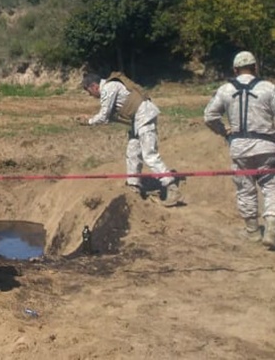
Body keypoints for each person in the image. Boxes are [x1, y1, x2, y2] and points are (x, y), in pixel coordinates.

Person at [203, 51, 275, 248]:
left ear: (235, 70)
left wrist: (224, 132)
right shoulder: (269, 88)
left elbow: (209, 116)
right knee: (271, 187)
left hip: (239, 148)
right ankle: (272, 226)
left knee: (245, 188)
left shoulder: (225, 90)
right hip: (267, 146)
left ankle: (252, 232)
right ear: (255, 67)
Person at [80, 71, 183, 207]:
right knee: (133, 152)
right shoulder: (111, 87)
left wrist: (88, 121)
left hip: (144, 117)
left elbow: (104, 115)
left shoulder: (108, 89)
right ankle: (134, 186)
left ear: (94, 86)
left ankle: (171, 187)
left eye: (89, 91)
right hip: (138, 119)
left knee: (149, 155)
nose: (90, 95)